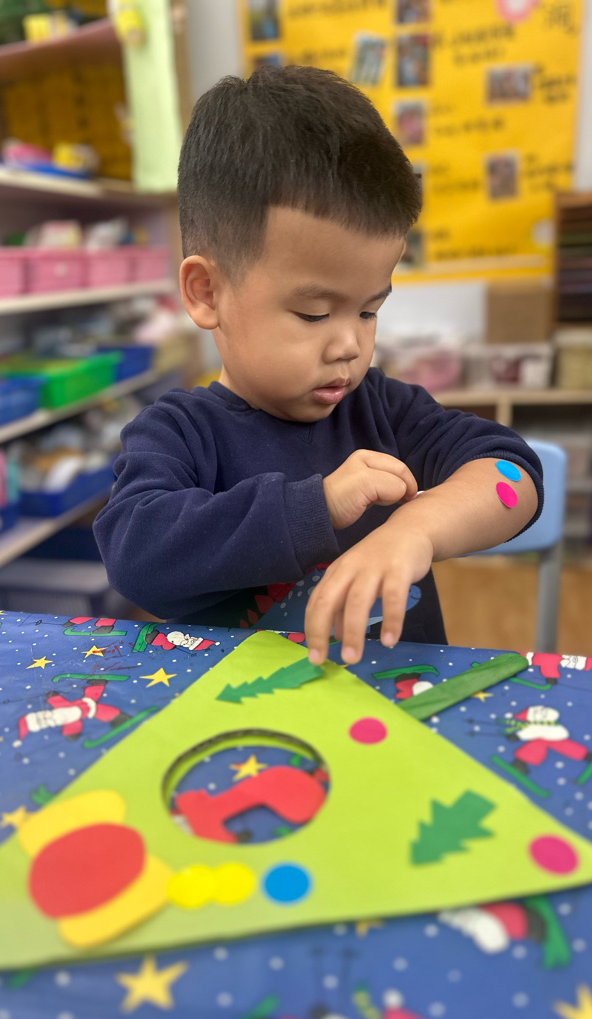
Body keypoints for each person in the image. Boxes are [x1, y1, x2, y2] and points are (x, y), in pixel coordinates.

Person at [94, 65, 542, 667]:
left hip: (397, 703)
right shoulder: (180, 432)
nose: (349, 345)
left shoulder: (384, 411)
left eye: (369, 311)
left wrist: (415, 530)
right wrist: (317, 507)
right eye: (314, 314)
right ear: (206, 293)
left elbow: (513, 474)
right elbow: (135, 554)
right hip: (243, 713)